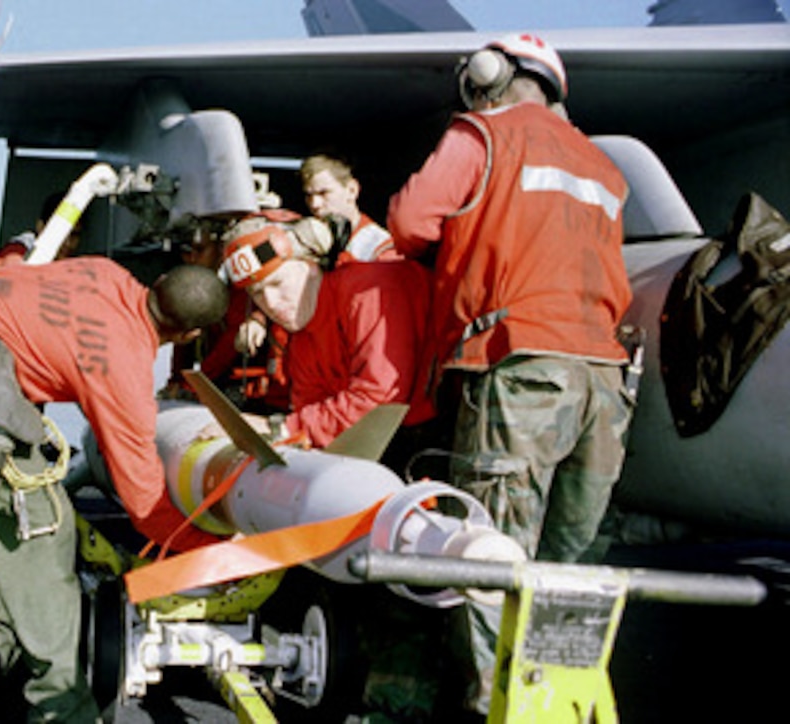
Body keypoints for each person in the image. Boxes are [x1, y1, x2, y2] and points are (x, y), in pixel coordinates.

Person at [387, 33, 634, 717]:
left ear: (489, 76)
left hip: (521, 367)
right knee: (566, 566)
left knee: (492, 556)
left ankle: (491, 707)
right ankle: (556, 700)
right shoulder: (604, 163)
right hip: (606, 379)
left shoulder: (483, 133)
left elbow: (409, 223)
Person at [0, 258, 229, 721]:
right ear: (188, 336)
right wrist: (210, 547)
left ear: (157, 280)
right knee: (43, 533)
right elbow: (143, 502)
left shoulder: (105, 271)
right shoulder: (123, 366)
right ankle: (62, 710)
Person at [217, 215, 436, 473]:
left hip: (436, 430)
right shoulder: (302, 330)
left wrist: (281, 429)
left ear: (310, 266)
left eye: (277, 284)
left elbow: (380, 400)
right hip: (395, 435)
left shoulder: (369, 291)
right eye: (257, 295)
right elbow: (310, 408)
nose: (272, 304)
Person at [300, 153, 400, 265]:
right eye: (308, 195)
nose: (315, 204)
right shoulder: (302, 243)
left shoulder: (380, 247)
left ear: (351, 190)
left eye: (324, 193)